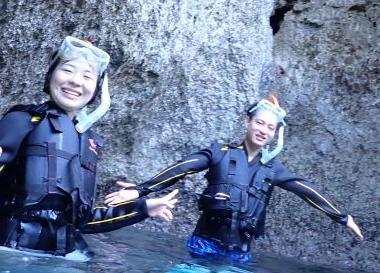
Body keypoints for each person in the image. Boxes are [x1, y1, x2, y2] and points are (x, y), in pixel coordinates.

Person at [0, 36, 178, 256]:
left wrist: (144, 208)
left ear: (96, 89)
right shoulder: (22, 121)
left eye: (87, 76)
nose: (76, 81)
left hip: (59, 260)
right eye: (68, 70)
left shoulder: (88, 143)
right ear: (51, 74)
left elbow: (83, 220)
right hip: (3, 251)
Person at [105, 95, 363, 262]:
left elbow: (306, 191)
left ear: (274, 135)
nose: (263, 131)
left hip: (240, 255)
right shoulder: (219, 153)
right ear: (247, 122)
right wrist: (141, 190)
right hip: (203, 245)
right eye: (260, 123)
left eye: (270, 128)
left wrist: (343, 217)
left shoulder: (273, 170)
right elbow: (181, 168)